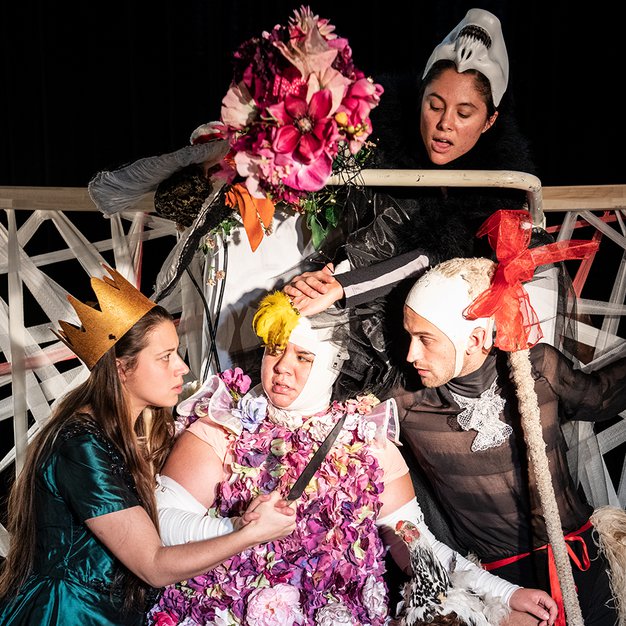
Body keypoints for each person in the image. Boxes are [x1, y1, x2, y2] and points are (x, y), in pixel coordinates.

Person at [146, 290, 557, 626]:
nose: (282, 368)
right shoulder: (222, 424)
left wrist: (506, 593)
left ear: (331, 364)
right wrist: (238, 528)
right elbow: (162, 527)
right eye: (275, 350)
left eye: (304, 357)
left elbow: (415, 544)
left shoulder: (367, 438)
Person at [284, 8, 568, 398]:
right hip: (356, 287)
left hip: (432, 335)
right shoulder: (376, 139)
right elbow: (362, 224)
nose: (445, 123)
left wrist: (342, 285)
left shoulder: (500, 188)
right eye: (435, 105)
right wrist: (329, 272)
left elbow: (432, 255)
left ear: (489, 121)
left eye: (464, 113)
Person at [0, 266, 296, 626]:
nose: (182, 367)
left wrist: (239, 524)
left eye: (177, 353)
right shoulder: (80, 445)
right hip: (67, 614)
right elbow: (154, 565)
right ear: (121, 369)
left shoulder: (115, 435)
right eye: (165, 356)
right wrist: (250, 535)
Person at [394, 234, 626, 626]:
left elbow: (601, 396)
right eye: (409, 336)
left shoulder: (539, 369)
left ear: (476, 339)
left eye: (425, 340)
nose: (411, 353)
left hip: (586, 566)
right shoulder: (408, 402)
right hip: (503, 594)